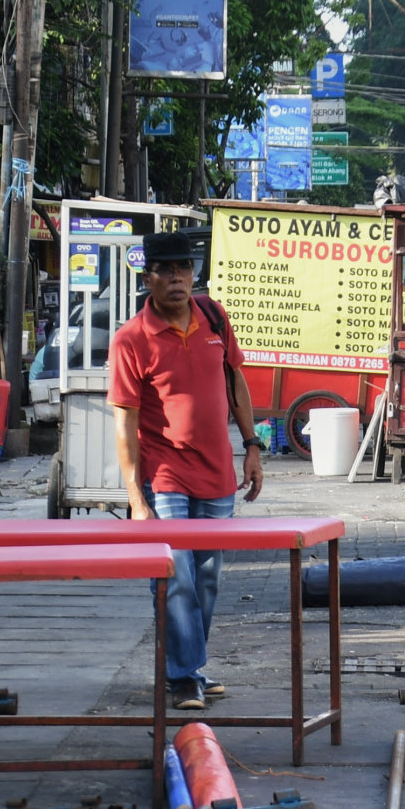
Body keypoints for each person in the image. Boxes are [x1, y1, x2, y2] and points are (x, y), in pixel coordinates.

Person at [108, 227, 265, 714]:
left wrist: (253, 446)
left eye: (184, 269)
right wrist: (135, 498)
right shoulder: (131, 340)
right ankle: (182, 676)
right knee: (175, 576)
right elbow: (125, 423)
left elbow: (235, 380)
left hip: (217, 473)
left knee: (207, 579)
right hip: (166, 475)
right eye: (166, 271)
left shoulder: (214, 316)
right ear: (148, 278)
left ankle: (189, 668)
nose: (177, 279)